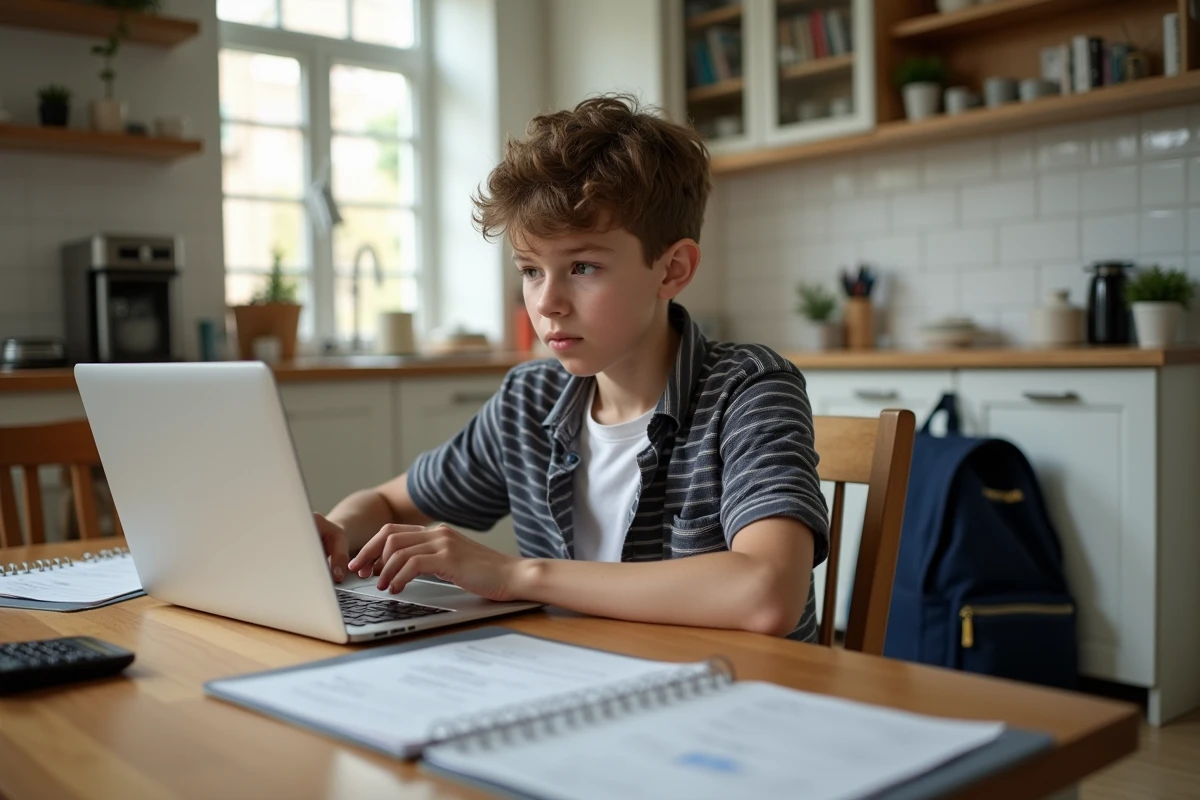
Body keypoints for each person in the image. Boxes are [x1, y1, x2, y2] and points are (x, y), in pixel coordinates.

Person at [315, 95, 829, 639]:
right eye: (532, 270)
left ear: (672, 269)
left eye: (582, 266)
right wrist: (339, 532)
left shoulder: (748, 390)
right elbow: (388, 501)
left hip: (732, 700)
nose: (547, 303)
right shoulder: (529, 400)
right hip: (582, 685)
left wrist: (517, 574)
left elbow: (767, 594)